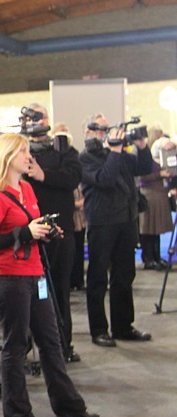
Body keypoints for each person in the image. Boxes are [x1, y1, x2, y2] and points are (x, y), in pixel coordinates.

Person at [0, 133, 99, 417]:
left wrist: (43, 229)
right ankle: (18, 415)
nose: (28, 157)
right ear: (6, 157)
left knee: (51, 340)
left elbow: (30, 226)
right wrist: (24, 233)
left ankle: (68, 405)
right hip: (9, 279)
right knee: (16, 346)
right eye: (22, 152)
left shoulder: (27, 190)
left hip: (35, 275)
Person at [80, 114, 153, 347]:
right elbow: (105, 179)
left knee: (124, 276)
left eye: (106, 128)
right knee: (98, 277)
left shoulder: (119, 153)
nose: (104, 133)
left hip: (126, 220)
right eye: (99, 129)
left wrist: (142, 147)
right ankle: (99, 329)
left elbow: (142, 168)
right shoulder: (86, 157)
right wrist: (114, 151)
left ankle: (123, 326)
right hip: (102, 223)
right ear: (88, 132)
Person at [24, 103, 82, 362]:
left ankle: (63, 345)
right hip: (28, 232)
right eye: (33, 118)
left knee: (59, 290)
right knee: (30, 294)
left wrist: (42, 174)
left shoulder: (64, 150)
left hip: (61, 231)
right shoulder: (19, 150)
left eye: (41, 117)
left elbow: (72, 178)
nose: (38, 122)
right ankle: (31, 347)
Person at [138, 136, 174, 270]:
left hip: (159, 195)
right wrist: (160, 174)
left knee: (156, 230)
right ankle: (148, 258)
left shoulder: (164, 160)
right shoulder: (147, 161)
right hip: (149, 196)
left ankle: (156, 256)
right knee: (148, 230)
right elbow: (141, 177)